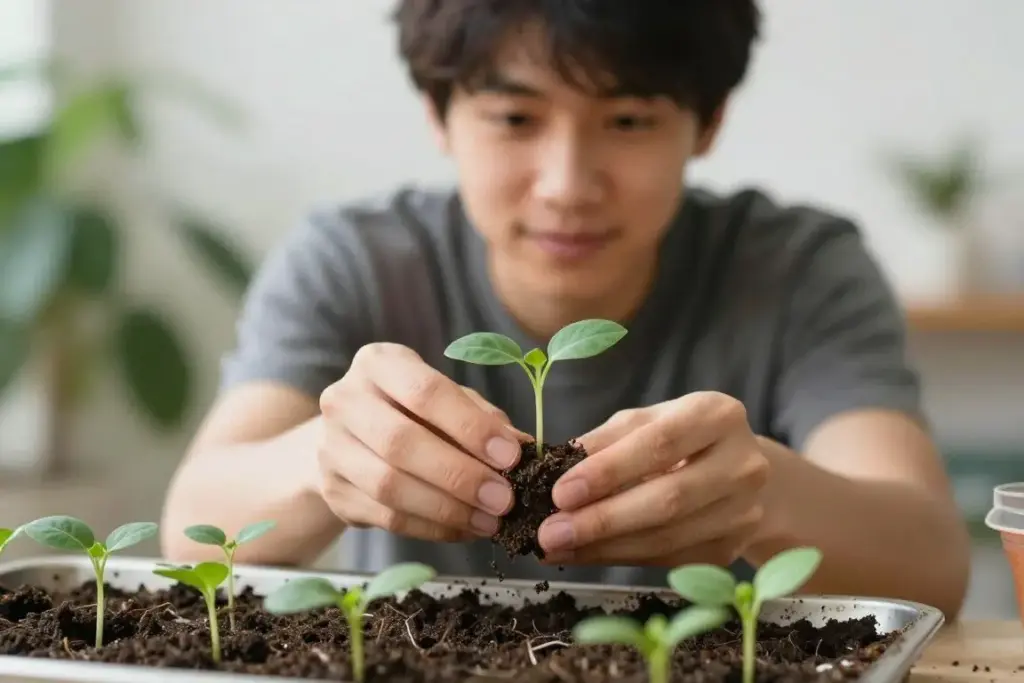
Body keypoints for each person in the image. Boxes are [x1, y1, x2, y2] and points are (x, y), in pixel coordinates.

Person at [159, 0, 971, 618]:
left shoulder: (798, 270)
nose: (567, 185)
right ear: (438, 115)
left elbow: (934, 564)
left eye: (627, 120)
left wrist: (769, 497)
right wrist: (321, 461)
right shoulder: (354, 261)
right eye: (515, 118)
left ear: (708, 122)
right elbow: (189, 528)